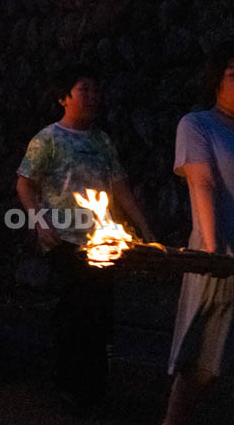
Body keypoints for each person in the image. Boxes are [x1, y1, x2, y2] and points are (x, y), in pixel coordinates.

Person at [16, 64, 155, 414]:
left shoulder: (102, 141)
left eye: (96, 90)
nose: (93, 96)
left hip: (102, 241)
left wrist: (146, 229)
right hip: (64, 240)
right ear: (64, 97)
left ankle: (94, 387)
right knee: (75, 311)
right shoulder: (47, 139)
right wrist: (39, 222)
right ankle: (70, 383)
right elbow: (24, 183)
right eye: (84, 89)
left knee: (99, 311)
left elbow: (120, 187)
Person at [164, 42, 234, 425]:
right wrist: (212, 252)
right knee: (200, 363)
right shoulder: (197, 125)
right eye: (232, 73)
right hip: (219, 252)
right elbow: (202, 183)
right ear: (216, 79)